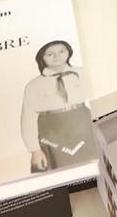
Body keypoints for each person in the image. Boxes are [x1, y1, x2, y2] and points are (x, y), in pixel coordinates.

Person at [19, 38, 91, 172]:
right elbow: (28, 118)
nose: (57, 56)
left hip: (83, 126)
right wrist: (35, 150)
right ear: (42, 58)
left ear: (69, 52)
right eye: (50, 54)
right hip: (51, 133)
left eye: (61, 51)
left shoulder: (83, 73)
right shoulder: (34, 85)